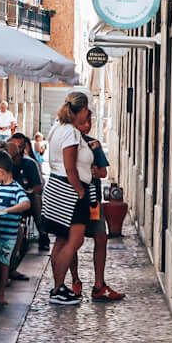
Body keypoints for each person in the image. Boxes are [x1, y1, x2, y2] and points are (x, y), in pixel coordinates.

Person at [43, 91, 94, 304]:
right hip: (70, 191)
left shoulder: (58, 129)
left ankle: (58, 287)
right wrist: (80, 192)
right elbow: (69, 166)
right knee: (74, 241)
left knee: (62, 240)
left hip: (56, 187)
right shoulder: (71, 133)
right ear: (82, 111)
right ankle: (57, 289)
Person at [69, 112, 124, 301]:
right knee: (72, 242)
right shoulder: (68, 142)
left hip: (93, 200)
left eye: (89, 121)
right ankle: (75, 281)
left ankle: (99, 284)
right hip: (73, 199)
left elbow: (102, 172)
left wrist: (88, 169)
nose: (87, 125)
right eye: (83, 121)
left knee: (101, 238)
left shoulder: (94, 144)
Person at [0, 151, 32, 305]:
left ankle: (0, 293)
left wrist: (7, 210)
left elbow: (26, 203)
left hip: (8, 235)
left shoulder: (15, 189)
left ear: (1, 171)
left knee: (4, 265)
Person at [7, 132, 48, 254]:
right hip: (8, 197)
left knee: (35, 198)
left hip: (25, 198)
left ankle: (42, 233)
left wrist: (24, 191)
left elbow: (38, 188)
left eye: (19, 146)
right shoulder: (4, 163)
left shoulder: (30, 164)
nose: (16, 149)